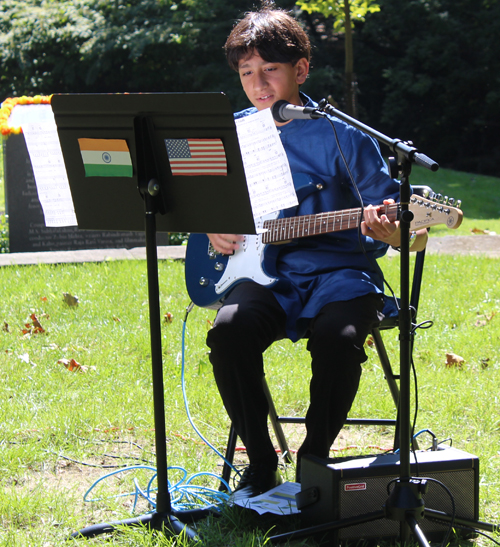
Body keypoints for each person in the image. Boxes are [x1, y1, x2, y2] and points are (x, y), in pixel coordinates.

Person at [206, 1, 428, 500]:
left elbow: (410, 232)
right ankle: (261, 462)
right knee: (228, 332)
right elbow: (202, 202)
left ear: (301, 69)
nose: (259, 83)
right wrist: (210, 229)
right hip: (264, 275)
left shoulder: (342, 136)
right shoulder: (234, 134)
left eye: (271, 70)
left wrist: (391, 232)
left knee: (339, 335)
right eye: (247, 72)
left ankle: (315, 457)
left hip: (341, 274)